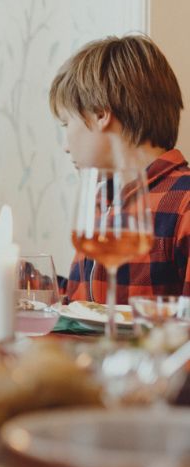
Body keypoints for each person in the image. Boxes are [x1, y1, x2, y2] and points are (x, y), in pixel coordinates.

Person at [50, 34, 190, 303]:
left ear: (101, 114)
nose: (65, 146)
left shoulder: (184, 202)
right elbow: (89, 306)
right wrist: (25, 279)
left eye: (67, 124)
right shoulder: (102, 197)